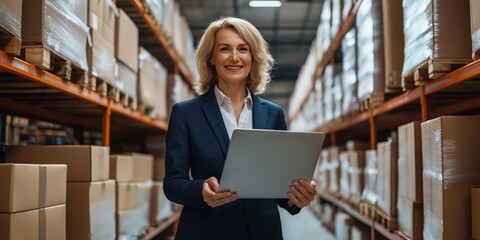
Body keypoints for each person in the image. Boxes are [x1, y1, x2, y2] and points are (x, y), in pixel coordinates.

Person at [164, 16, 317, 240]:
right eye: (224, 49)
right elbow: (172, 183)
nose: (234, 57)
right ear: (211, 58)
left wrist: (296, 198)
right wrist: (201, 192)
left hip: (262, 232)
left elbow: (277, 183)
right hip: (206, 231)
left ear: (253, 57)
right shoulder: (186, 113)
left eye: (243, 49)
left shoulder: (273, 114)